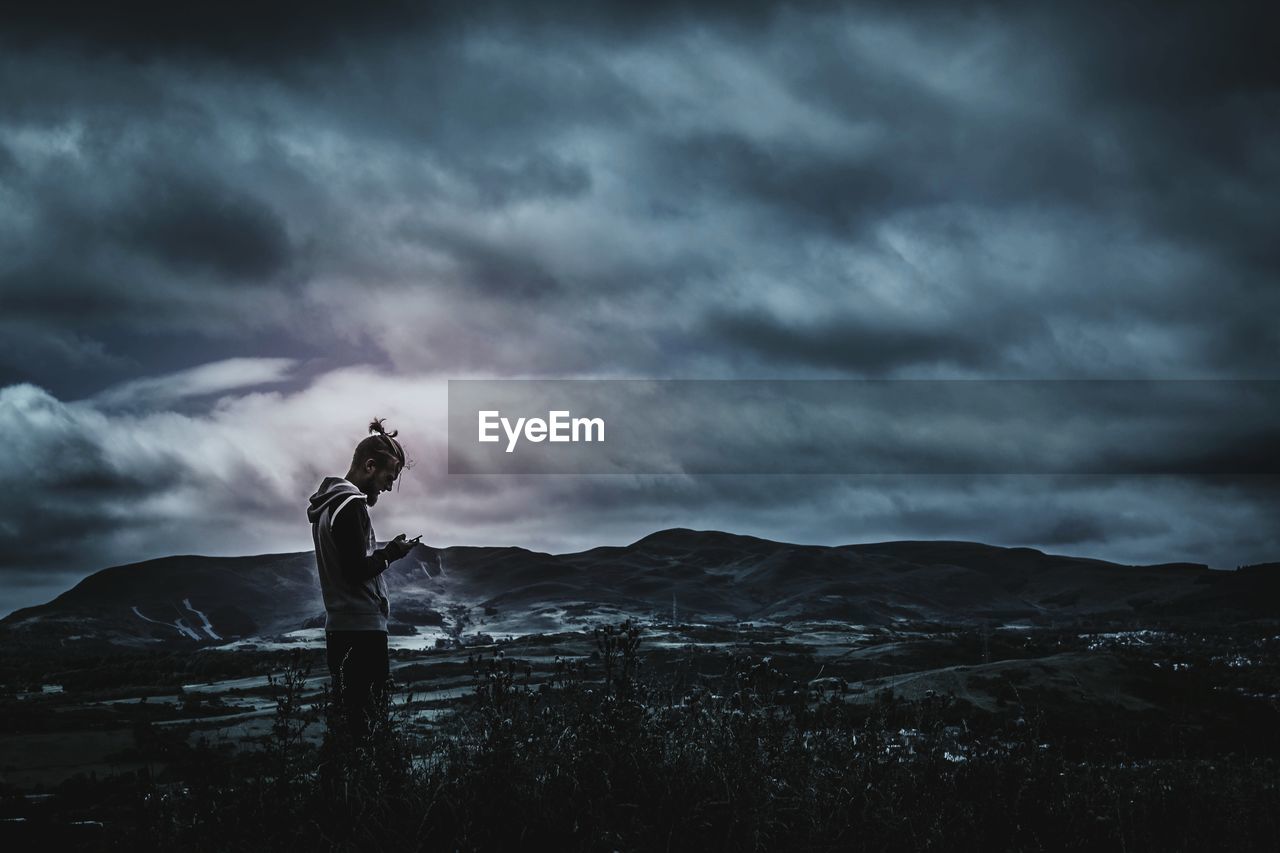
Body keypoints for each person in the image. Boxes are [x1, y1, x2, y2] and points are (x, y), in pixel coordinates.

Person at [307, 417, 417, 746]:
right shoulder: (350, 505)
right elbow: (355, 571)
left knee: (347, 726)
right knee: (370, 730)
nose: (386, 487)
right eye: (388, 478)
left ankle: (343, 793)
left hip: (339, 629)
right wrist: (391, 554)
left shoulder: (327, 507)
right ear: (370, 466)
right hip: (362, 632)